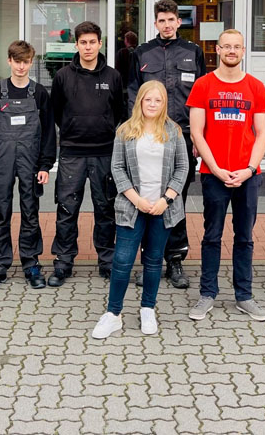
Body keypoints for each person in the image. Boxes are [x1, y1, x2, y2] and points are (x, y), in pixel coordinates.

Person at [92, 81, 188, 339]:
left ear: (164, 103)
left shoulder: (174, 131)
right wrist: (136, 199)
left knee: (154, 261)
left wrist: (165, 200)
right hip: (131, 207)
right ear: (140, 101)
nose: (153, 104)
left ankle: (147, 309)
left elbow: (183, 168)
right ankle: (113, 314)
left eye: (158, 100)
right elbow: (117, 168)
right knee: (122, 261)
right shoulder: (125, 131)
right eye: (148, 99)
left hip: (162, 208)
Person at [186, 29, 265, 322]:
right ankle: (207, 294)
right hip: (214, 174)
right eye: (227, 46)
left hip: (247, 176)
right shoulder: (203, 85)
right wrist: (216, 168)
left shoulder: (256, 87)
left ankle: (244, 296)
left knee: (244, 237)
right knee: (212, 236)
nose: (232, 51)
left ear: (243, 51)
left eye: (237, 47)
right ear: (218, 50)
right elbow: (197, 132)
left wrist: (249, 169)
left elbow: (263, 133)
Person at [127, 0, 206, 289]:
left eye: (172, 20)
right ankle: (150, 261)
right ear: (155, 23)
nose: (167, 25)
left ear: (179, 21)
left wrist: (198, 137)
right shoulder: (142, 52)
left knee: (176, 199)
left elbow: (201, 98)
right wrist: (134, 133)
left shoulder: (193, 52)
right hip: (147, 136)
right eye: (162, 20)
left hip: (181, 137)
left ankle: (175, 261)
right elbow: (132, 94)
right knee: (147, 196)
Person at [48, 20, 125, 286]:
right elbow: (56, 112)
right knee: (67, 209)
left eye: (92, 42)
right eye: (83, 42)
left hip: (104, 152)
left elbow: (119, 112)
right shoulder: (63, 76)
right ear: (77, 45)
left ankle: (107, 261)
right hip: (72, 153)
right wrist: (72, 128)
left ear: (100, 44)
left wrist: (104, 128)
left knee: (105, 209)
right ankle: (63, 261)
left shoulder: (113, 76)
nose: (88, 47)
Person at [0, 40, 56, 292]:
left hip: (30, 159)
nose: (21, 67)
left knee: (30, 212)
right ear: (9, 61)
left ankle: (31, 263)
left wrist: (45, 165)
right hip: (1, 158)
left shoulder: (39, 93)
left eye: (26, 62)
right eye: (17, 61)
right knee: (1, 211)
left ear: (31, 63)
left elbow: (48, 132)